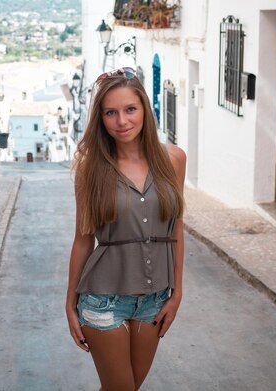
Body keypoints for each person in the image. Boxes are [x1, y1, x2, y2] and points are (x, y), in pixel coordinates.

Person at [65, 67, 186, 391]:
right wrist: (70, 305)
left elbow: (176, 228)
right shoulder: (90, 169)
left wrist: (177, 293)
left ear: (145, 109)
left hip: (155, 300)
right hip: (103, 301)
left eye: (130, 109)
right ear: (101, 119)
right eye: (111, 113)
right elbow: (82, 239)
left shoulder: (173, 159)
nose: (122, 121)